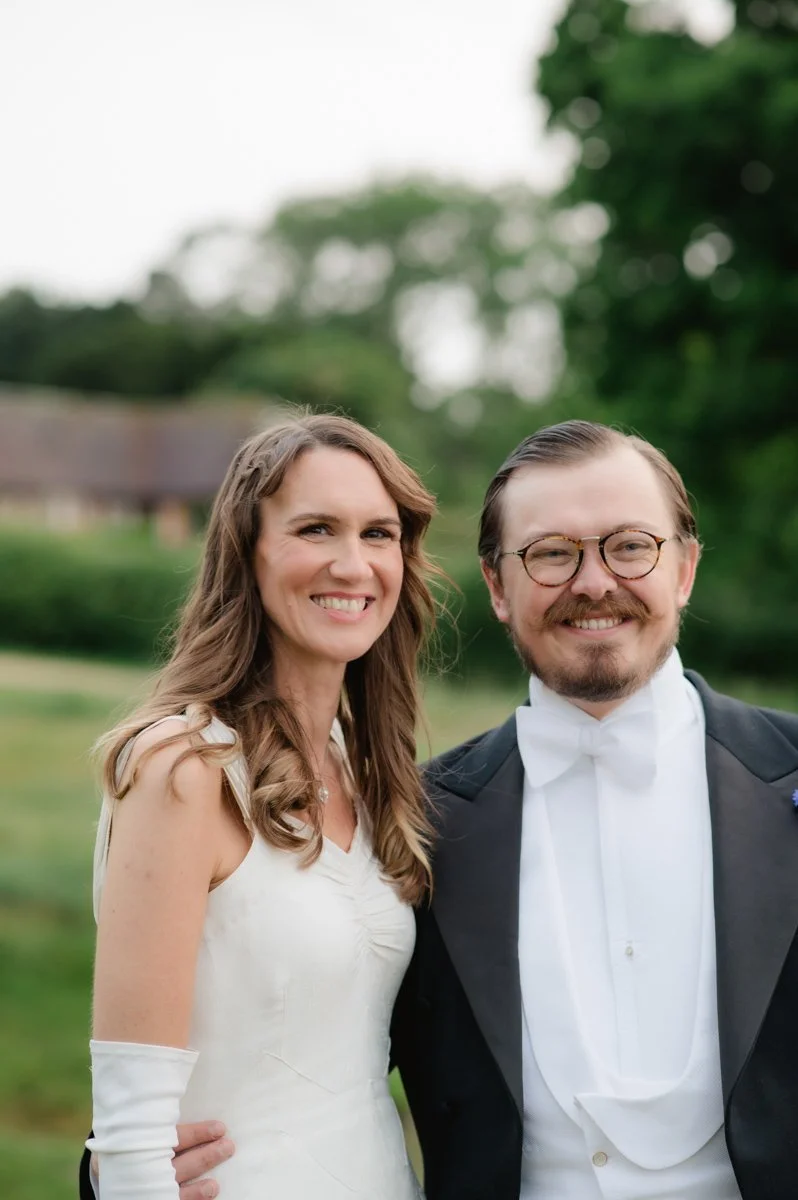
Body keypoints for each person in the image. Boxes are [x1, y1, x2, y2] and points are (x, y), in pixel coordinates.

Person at [87, 419, 798, 1200]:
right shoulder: (428, 818)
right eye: (552, 553)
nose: (594, 582)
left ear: (686, 568)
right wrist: (125, 1166)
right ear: (497, 586)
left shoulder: (376, 800)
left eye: (631, 546)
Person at [80, 411, 438, 1200]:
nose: (354, 564)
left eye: (379, 535)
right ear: (249, 553)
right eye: (317, 529)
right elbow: (132, 1132)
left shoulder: (370, 771)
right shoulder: (185, 768)